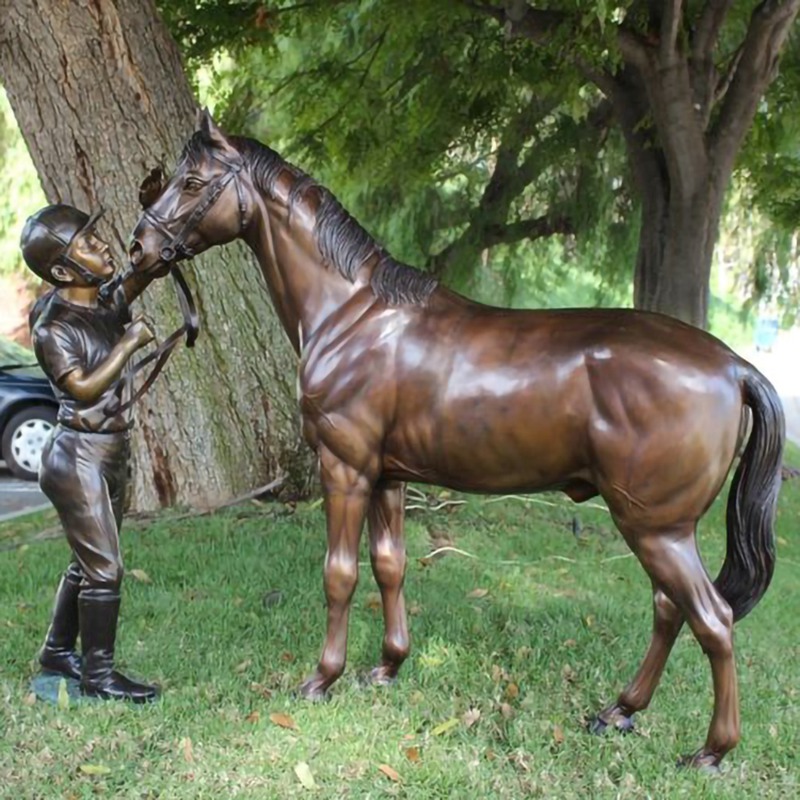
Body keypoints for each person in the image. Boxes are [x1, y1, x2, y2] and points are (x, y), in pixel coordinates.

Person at [20, 203, 160, 703]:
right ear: (62, 269)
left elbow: (139, 275)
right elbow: (80, 388)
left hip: (108, 452)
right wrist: (128, 344)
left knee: (87, 562)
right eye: (86, 242)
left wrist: (159, 222)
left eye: (95, 235)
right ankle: (98, 675)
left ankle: (59, 651)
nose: (101, 245)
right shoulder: (52, 327)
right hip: (76, 458)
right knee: (104, 568)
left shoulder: (102, 303)